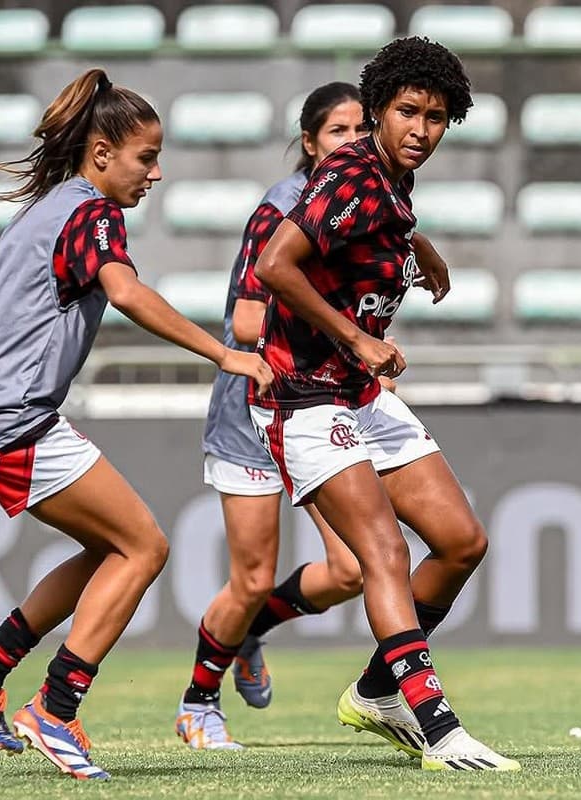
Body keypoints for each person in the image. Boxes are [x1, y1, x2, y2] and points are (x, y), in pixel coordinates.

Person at [0, 68, 273, 781]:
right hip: (9, 418)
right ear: (101, 154)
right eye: (146, 157)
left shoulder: (43, 209)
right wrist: (224, 353)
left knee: (108, 551)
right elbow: (127, 293)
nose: (156, 172)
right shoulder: (91, 213)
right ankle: (55, 709)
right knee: (144, 547)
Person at [251, 37, 518, 771]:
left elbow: (369, 220)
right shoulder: (352, 170)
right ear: (376, 109)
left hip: (359, 394)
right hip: (308, 393)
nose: (421, 131)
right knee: (385, 555)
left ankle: (377, 690)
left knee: (462, 542)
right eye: (408, 112)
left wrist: (416, 242)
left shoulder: (390, 182)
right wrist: (356, 339)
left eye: (436, 117)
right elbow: (277, 264)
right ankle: (438, 727)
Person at [177, 82, 395, 750]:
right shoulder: (284, 206)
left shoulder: (368, 205)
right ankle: (198, 704)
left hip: (314, 401)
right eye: (339, 131)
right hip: (254, 410)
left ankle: (251, 633)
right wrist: (344, 332)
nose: (354, 142)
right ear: (310, 143)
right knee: (249, 575)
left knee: (353, 571)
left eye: (364, 129)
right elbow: (247, 319)